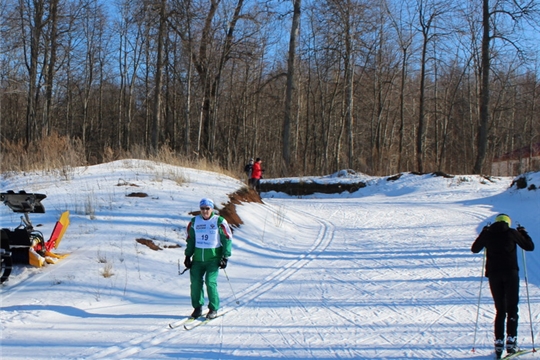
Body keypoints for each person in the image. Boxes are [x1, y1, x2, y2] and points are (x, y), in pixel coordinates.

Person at [471, 213, 534, 359]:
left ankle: (499, 342)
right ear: (508, 223)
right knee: (512, 308)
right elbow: (529, 247)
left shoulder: (488, 234)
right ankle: (511, 340)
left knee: (500, 309)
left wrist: (483, 232)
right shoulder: (512, 233)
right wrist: (523, 233)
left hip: (494, 275)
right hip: (511, 273)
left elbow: (475, 249)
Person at [184, 198, 233, 319]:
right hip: (198, 259)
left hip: (213, 259)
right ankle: (197, 307)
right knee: (195, 283)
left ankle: (213, 308)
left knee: (210, 282)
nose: (205, 211)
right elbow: (190, 240)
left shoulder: (219, 221)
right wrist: (187, 256)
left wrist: (225, 257)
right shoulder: (194, 221)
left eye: (207, 208)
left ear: (212, 209)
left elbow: (227, 239)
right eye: (202, 208)